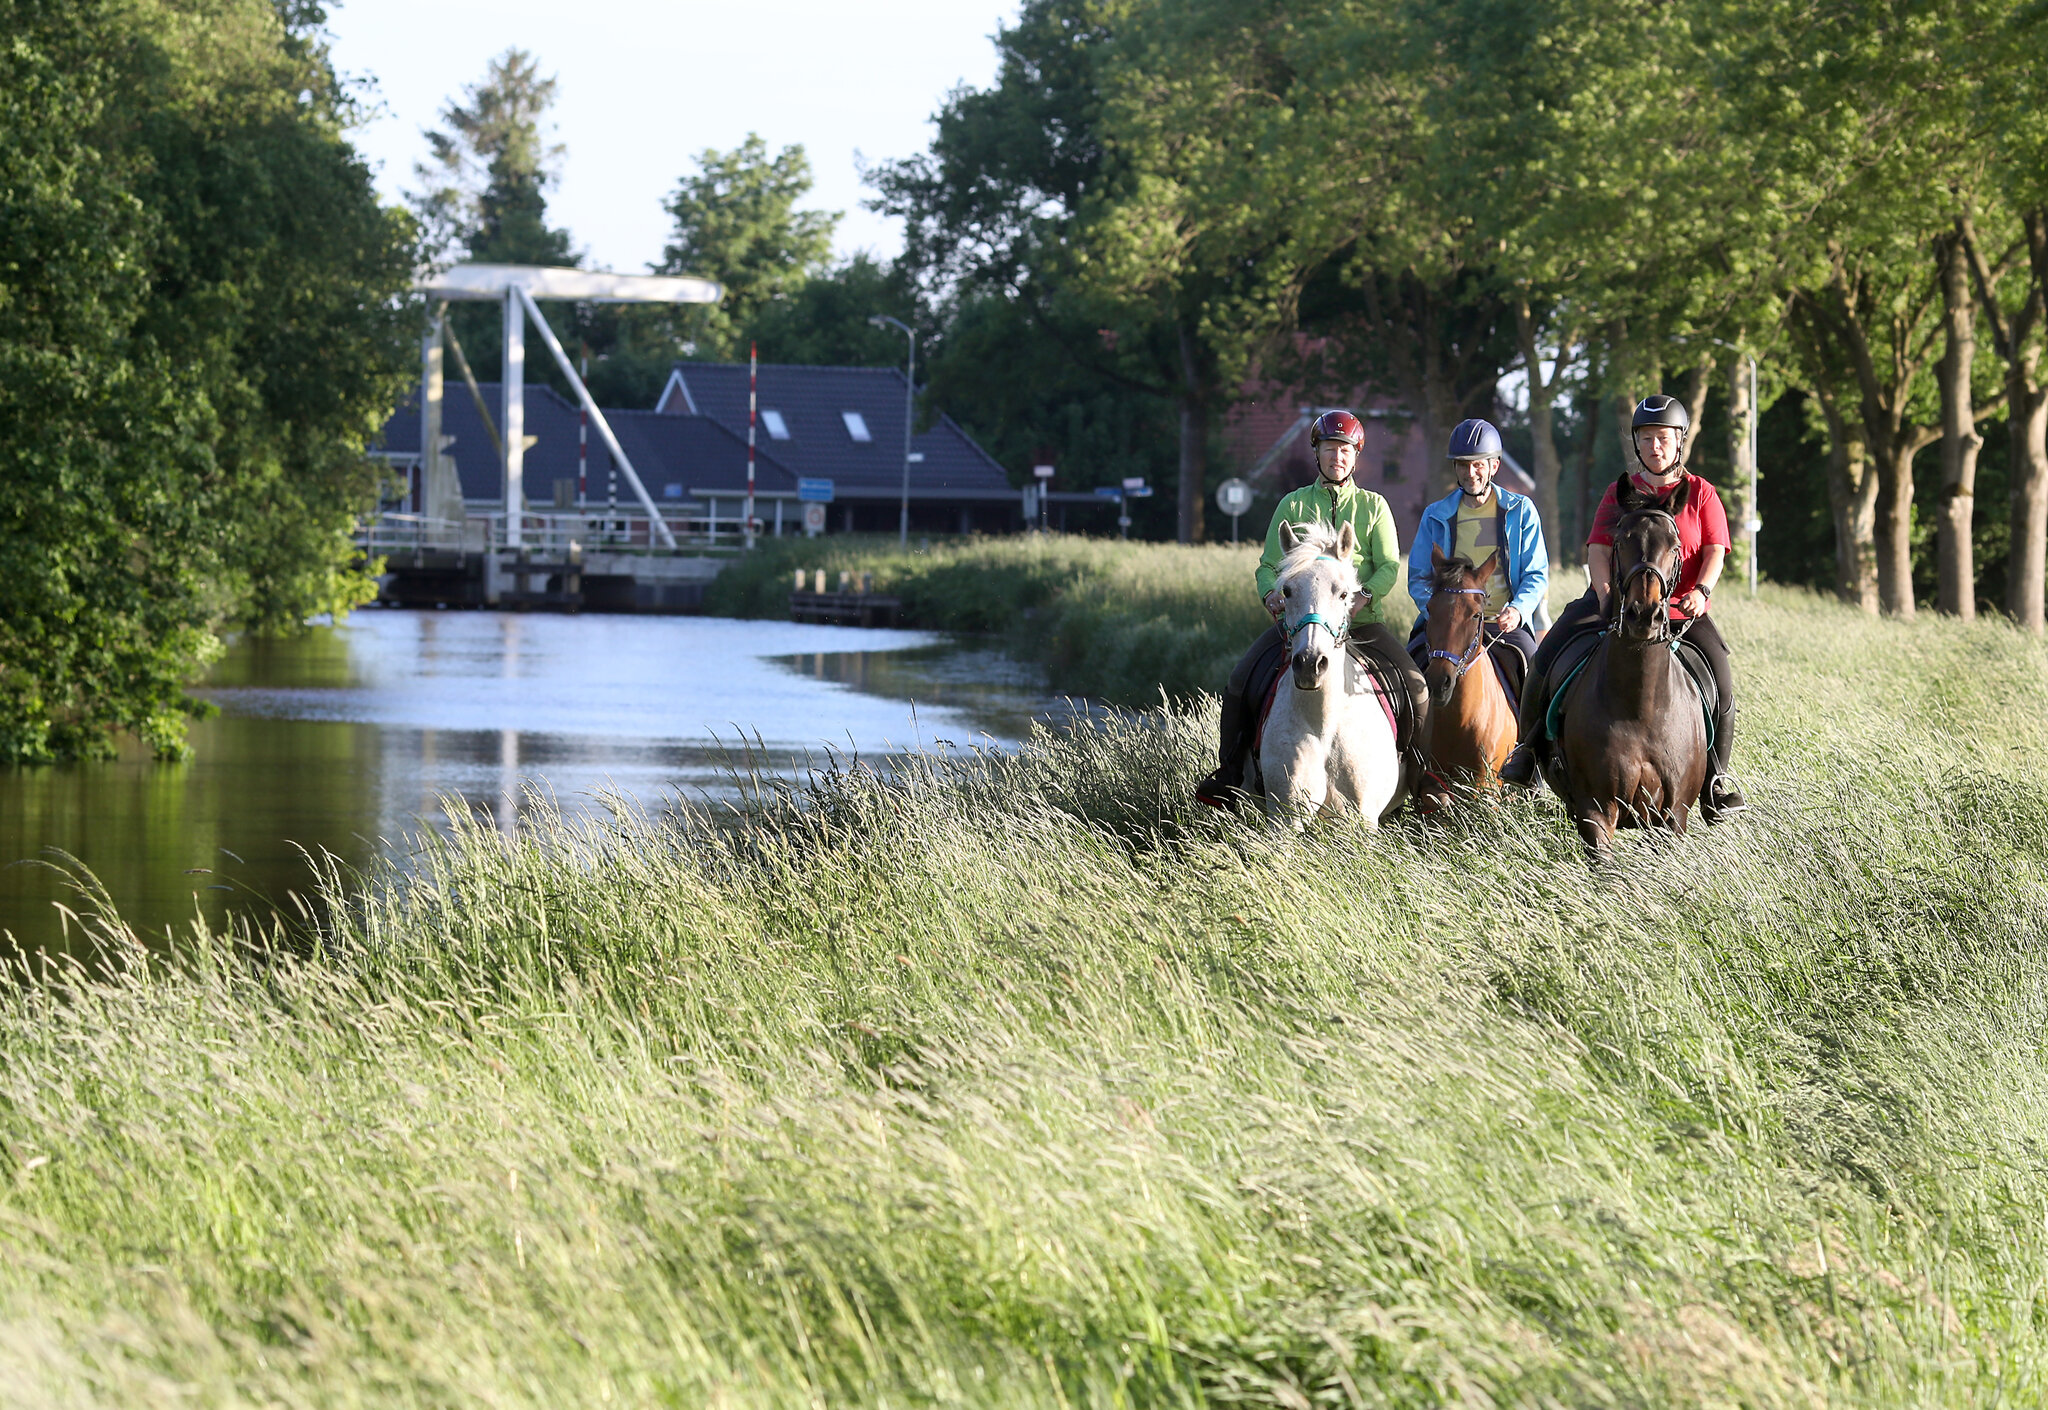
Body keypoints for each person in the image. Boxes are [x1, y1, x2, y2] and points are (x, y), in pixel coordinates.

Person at [1498, 394, 1746, 819]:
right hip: (1616, 604)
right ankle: (1527, 751)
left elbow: (1715, 551)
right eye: (1646, 438)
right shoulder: (1620, 492)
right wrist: (1605, 594)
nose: (1655, 446)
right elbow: (1598, 549)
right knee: (1547, 653)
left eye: (1663, 438)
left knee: (1720, 676)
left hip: (1680, 610)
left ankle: (1717, 779)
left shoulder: (1701, 493)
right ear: (1636, 442)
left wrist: (1702, 592)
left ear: (1679, 441)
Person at [1195, 409, 1428, 807]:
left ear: (1356, 457)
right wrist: (1270, 593)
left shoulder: (1374, 506)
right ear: (1316, 453)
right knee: (1239, 681)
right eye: (1330, 449)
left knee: (1416, 685)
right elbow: (1268, 565)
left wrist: (1364, 597)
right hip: (1299, 625)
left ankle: (1424, 780)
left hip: (1362, 624)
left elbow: (1390, 565)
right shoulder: (1293, 504)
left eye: (1345, 450)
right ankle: (1230, 774)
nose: (1337, 457)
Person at [1405, 418, 1547, 693]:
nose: (1470, 473)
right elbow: (1419, 577)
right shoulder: (1434, 515)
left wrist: (1518, 610)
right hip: (1446, 627)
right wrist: (1437, 613)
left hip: (1502, 625)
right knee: (1406, 678)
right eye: (1462, 464)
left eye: (1478, 464)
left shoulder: (1521, 511)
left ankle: (1537, 724)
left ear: (1494, 466)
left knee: (1537, 681)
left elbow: (1536, 573)